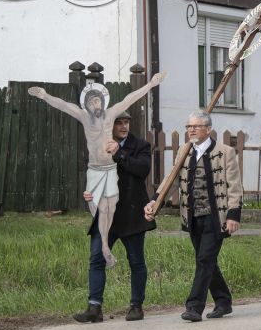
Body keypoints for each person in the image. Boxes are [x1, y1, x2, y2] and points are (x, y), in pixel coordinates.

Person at [30, 72, 166, 267]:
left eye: (98, 101)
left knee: (110, 206)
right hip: (94, 170)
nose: (96, 105)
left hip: (109, 168)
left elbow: (130, 98)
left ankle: (104, 247)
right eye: (92, 102)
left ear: (103, 102)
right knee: (98, 210)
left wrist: (151, 84)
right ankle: (104, 245)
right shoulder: (84, 117)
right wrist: (45, 96)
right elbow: (64, 106)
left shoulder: (111, 115)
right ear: (87, 104)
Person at [144, 110, 241, 323]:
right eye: (189, 126)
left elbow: (234, 186)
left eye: (195, 126)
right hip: (193, 216)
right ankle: (223, 301)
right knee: (205, 260)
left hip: (217, 217)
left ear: (208, 129)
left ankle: (194, 307)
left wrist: (234, 215)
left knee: (205, 259)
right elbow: (173, 180)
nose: (191, 130)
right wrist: (155, 200)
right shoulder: (184, 151)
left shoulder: (226, 152)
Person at [74, 110, 153, 324]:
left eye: (126, 122)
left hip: (132, 213)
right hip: (106, 214)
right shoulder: (99, 146)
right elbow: (93, 173)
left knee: (136, 261)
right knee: (96, 259)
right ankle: (94, 308)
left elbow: (142, 169)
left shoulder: (140, 146)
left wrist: (119, 152)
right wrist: (89, 192)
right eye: (119, 122)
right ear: (110, 125)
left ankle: (136, 306)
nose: (124, 126)